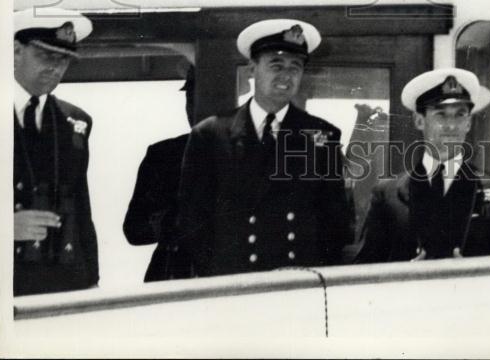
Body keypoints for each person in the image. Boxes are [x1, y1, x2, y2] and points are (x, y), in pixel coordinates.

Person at [177, 19, 351, 277]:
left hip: (299, 281)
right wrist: (215, 276)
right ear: (251, 69)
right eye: (275, 65)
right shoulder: (211, 134)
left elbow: (335, 222)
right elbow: (192, 221)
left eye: (295, 67)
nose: (286, 75)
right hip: (232, 282)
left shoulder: (322, 136)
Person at [355, 69, 490, 263]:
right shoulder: (387, 194)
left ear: (468, 123)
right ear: (419, 121)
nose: (451, 126)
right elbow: (365, 268)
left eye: (460, 115)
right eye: (441, 115)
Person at [13, 8, 99, 296]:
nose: (56, 68)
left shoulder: (76, 121)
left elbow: (81, 209)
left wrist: (92, 284)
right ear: (15, 51)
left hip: (62, 284)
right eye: (46, 56)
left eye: (64, 59)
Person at [122, 65, 196, 282]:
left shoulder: (252, 150)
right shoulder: (163, 154)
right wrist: (167, 222)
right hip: (172, 270)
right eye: (190, 97)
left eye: (202, 95)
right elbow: (133, 231)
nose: (193, 105)